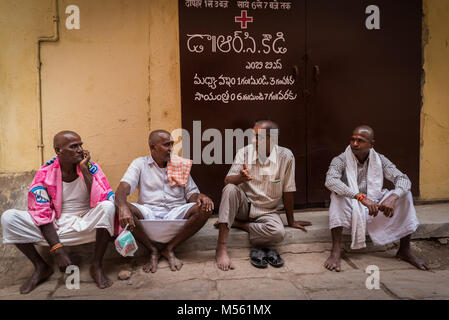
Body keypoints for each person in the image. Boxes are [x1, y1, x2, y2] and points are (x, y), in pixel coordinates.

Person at [1, 131, 117, 294]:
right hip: (56, 225)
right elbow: (41, 213)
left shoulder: (91, 167)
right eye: (73, 146)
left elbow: (101, 199)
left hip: (87, 222)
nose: (80, 150)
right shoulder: (45, 173)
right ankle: (41, 267)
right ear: (58, 150)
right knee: (8, 218)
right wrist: (58, 249)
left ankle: (96, 265)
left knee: (108, 207)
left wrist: (84, 170)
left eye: (80, 145)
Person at [324, 125, 429, 272]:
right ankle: (335, 251)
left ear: (371, 144)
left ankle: (404, 250)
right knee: (337, 196)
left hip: (374, 205)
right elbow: (331, 181)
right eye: (352, 140)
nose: (354, 144)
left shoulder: (380, 159)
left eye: (360, 141)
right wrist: (360, 197)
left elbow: (403, 179)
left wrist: (393, 196)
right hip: (352, 205)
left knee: (405, 195)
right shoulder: (340, 159)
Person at [215, 119, 311, 271]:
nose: (253, 140)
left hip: (267, 210)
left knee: (278, 233)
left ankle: (237, 224)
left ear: (271, 139)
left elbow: (288, 190)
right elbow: (228, 180)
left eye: (257, 136)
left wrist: (291, 221)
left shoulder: (286, 157)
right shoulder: (244, 152)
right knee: (230, 189)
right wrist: (240, 178)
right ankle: (221, 247)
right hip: (243, 206)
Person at [115, 130, 214, 272]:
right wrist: (123, 206)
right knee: (119, 205)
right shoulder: (140, 164)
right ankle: (152, 249)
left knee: (205, 208)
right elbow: (122, 189)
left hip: (176, 212)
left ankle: (169, 248)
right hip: (148, 212)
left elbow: (192, 195)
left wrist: (201, 197)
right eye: (166, 145)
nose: (171, 148)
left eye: (172, 144)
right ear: (152, 147)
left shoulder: (179, 164)